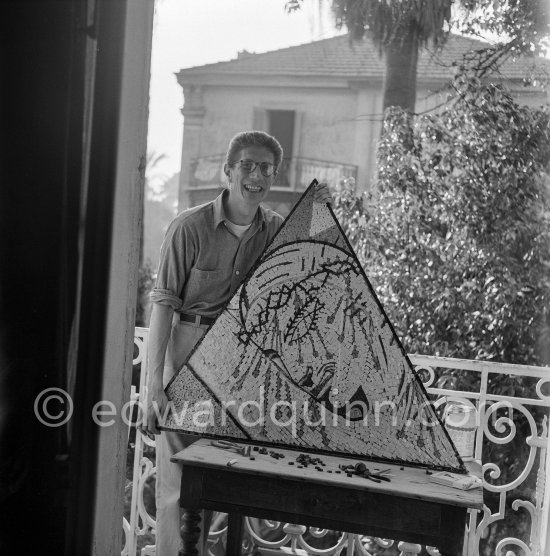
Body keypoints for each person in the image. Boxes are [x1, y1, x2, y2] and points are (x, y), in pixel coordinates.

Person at [142, 130, 332, 555]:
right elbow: (163, 304)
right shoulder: (189, 228)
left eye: (266, 168)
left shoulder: (277, 231)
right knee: (178, 480)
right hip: (189, 352)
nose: (256, 175)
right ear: (227, 171)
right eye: (247, 165)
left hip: (244, 367)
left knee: (230, 478)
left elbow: (305, 287)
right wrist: (153, 385)